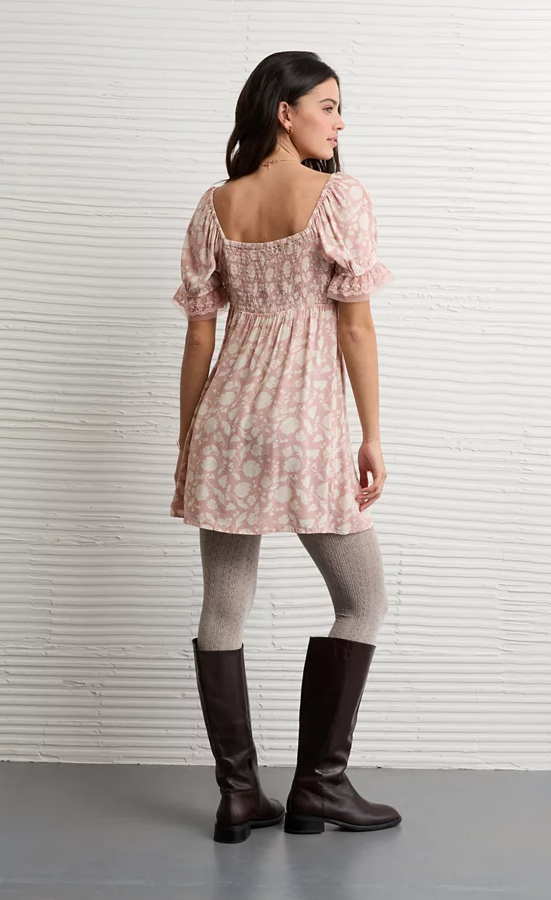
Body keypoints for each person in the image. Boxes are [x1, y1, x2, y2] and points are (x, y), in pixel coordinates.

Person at [169, 51, 402, 843]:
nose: (339, 123)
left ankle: (239, 796)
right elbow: (355, 327)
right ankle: (319, 787)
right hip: (303, 424)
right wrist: (371, 434)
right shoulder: (338, 196)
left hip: (224, 422)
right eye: (328, 106)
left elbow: (199, 338)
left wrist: (188, 439)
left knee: (223, 607)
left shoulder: (216, 206)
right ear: (286, 111)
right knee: (363, 602)